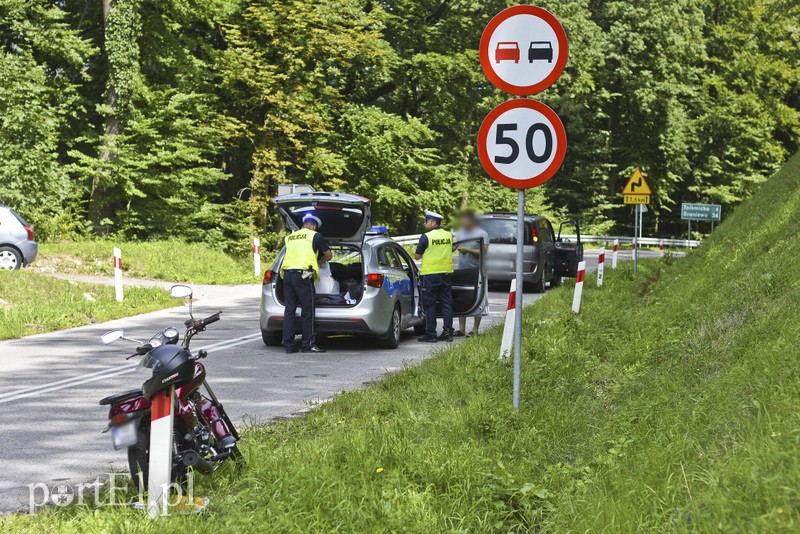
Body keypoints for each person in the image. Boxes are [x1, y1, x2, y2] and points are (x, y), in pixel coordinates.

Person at [281, 212, 332, 354]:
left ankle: (289, 346)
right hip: (303, 275)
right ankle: (307, 344)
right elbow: (329, 255)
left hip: (287, 274)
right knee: (307, 310)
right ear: (314, 226)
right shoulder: (315, 236)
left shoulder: (290, 237)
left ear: (303, 224)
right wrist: (319, 261)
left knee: (289, 310)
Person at [414, 211, 454, 343]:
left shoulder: (426, 237)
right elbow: (452, 248)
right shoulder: (449, 235)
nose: (425, 223)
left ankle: (431, 334)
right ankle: (448, 332)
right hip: (446, 274)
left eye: (427, 221)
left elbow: (417, 256)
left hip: (431, 275)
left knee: (430, 304)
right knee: (446, 303)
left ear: (433, 222)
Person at [454, 210, 489, 337]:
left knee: (478, 297)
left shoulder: (481, 233)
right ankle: (461, 328)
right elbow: (453, 246)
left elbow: (484, 252)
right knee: (462, 297)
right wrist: (454, 245)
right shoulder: (460, 233)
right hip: (462, 270)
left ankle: (475, 329)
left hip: (477, 270)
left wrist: (468, 250)